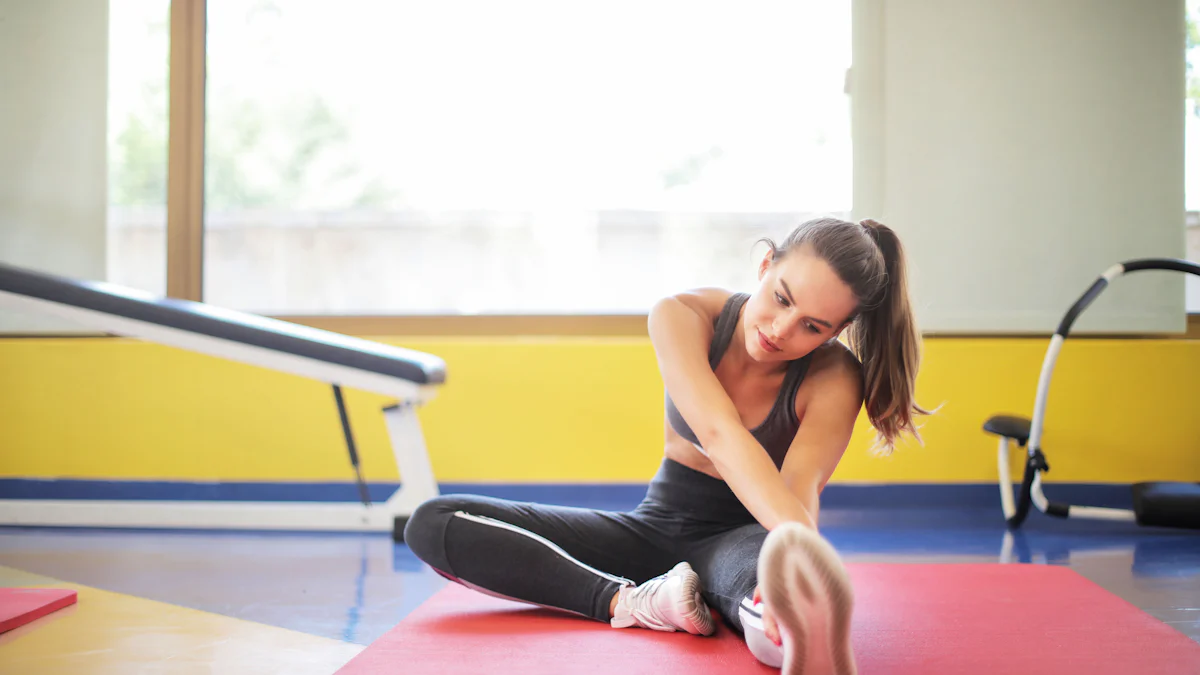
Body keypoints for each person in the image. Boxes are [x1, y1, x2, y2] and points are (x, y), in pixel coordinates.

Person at [404, 216, 930, 674]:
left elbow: (800, 486)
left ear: (836, 332)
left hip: (746, 536)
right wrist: (796, 543)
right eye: (782, 299)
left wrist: (792, 562)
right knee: (433, 522)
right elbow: (719, 434)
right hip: (653, 526)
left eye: (812, 327)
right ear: (766, 264)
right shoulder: (682, 315)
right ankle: (629, 601)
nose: (780, 329)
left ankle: (795, 627)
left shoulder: (835, 376)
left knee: (777, 613)